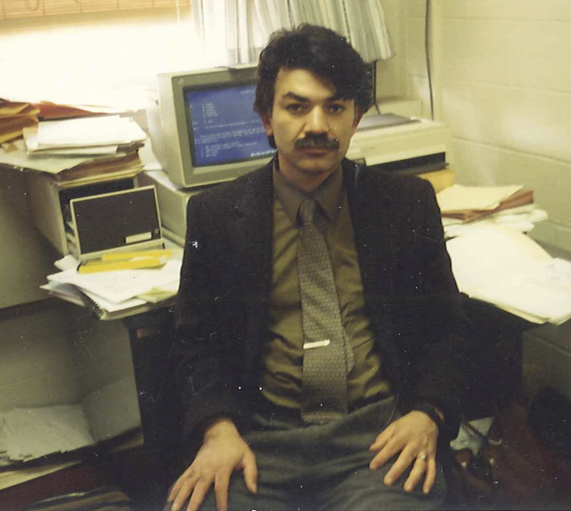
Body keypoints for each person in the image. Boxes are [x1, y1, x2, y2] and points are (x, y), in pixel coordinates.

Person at [165, 24, 478, 511]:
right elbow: (195, 341)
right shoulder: (217, 214)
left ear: (355, 120)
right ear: (266, 118)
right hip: (261, 441)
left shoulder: (405, 204)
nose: (317, 125)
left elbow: (447, 328)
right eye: (296, 107)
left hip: (376, 439)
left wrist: (428, 414)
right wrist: (217, 431)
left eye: (335, 107)